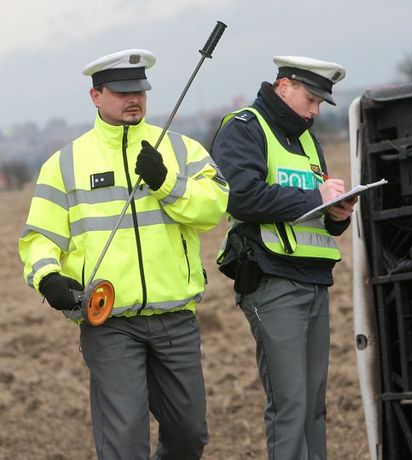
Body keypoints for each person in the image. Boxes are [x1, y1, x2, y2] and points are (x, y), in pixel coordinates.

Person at [18, 49, 228, 460]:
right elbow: (39, 238)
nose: (134, 99)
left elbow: (214, 209)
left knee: (189, 435)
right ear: (95, 96)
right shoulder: (64, 164)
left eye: (140, 91)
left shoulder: (182, 150)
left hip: (175, 318)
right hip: (108, 321)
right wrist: (47, 277)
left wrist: (167, 183)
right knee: (124, 442)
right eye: (121, 91)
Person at [211, 55, 356, 460]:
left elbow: (317, 217)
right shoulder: (244, 128)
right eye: (310, 99)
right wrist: (316, 197)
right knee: (290, 403)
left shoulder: (309, 140)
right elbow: (239, 195)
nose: (314, 112)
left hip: (314, 281)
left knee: (313, 404)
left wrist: (337, 214)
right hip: (271, 280)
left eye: (319, 104)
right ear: (284, 85)